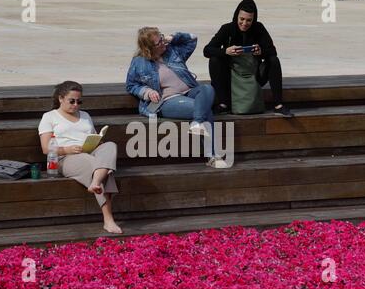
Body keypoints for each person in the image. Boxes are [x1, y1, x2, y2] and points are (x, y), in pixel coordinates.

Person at [126, 27, 227, 168]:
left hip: (190, 91)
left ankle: (196, 123)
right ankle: (212, 155)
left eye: (161, 38)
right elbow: (131, 85)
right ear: (148, 49)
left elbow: (192, 39)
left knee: (207, 88)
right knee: (204, 109)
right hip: (168, 100)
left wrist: (174, 37)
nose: (162, 43)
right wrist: (147, 92)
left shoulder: (172, 51)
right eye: (158, 43)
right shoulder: (139, 62)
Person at [38, 81, 122, 234]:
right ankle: (108, 219)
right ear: (61, 98)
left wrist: (97, 141)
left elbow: (94, 137)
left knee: (110, 146)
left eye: (79, 101)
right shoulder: (49, 117)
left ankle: (95, 182)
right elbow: (46, 148)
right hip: (65, 158)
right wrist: (67, 149)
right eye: (72, 101)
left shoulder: (85, 116)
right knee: (101, 168)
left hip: (89, 151)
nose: (76, 105)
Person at [203, 0, 294, 117]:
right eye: (242, 19)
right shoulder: (227, 29)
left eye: (249, 20)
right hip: (232, 76)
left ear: (253, 19)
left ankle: (278, 105)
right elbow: (207, 50)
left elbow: (272, 51)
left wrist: (260, 52)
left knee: (273, 61)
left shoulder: (258, 28)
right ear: (236, 16)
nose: (244, 23)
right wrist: (226, 51)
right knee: (215, 60)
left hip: (253, 76)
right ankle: (223, 103)